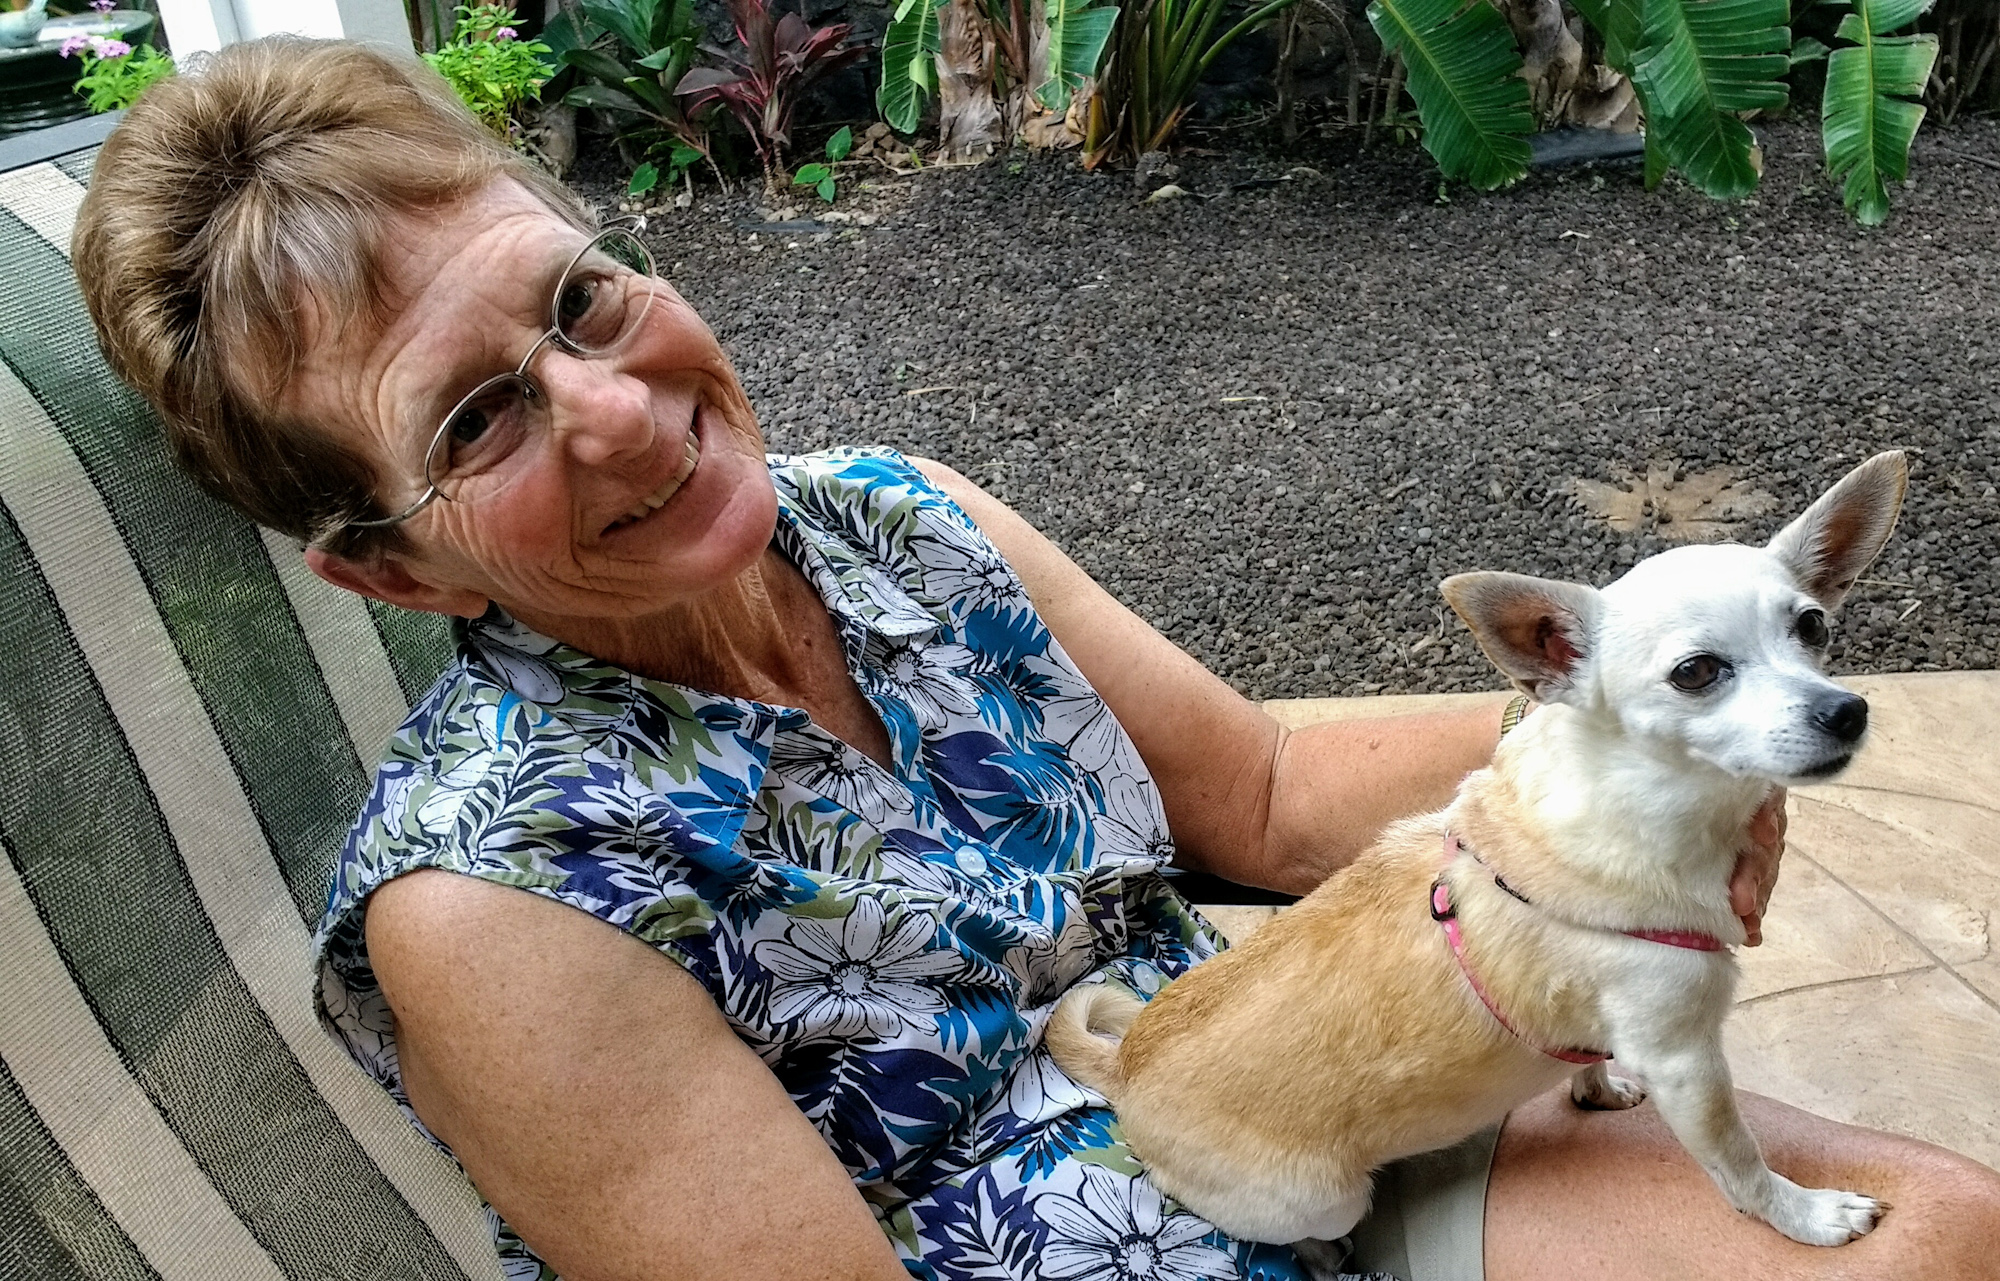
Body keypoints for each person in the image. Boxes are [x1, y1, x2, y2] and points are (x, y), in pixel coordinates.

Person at [73, 36, 2000, 1281]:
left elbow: (1243, 789)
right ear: (391, 577)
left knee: (1933, 1236)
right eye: (480, 419)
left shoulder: (899, 516)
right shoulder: (494, 904)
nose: (621, 412)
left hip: (1297, 1097)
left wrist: (1642, 739)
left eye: (582, 298)